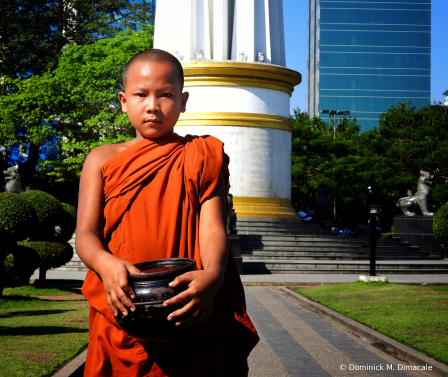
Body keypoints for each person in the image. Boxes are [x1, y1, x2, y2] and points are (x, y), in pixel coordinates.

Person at [76, 49, 259, 376]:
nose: (153, 106)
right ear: (123, 100)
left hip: (188, 301)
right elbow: (86, 235)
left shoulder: (203, 155)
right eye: (141, 95)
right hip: (124, 302)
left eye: (166, 95)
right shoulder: (101, 159)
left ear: (183, 100)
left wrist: (212, 278)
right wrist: (105, 264)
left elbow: (214, 228)